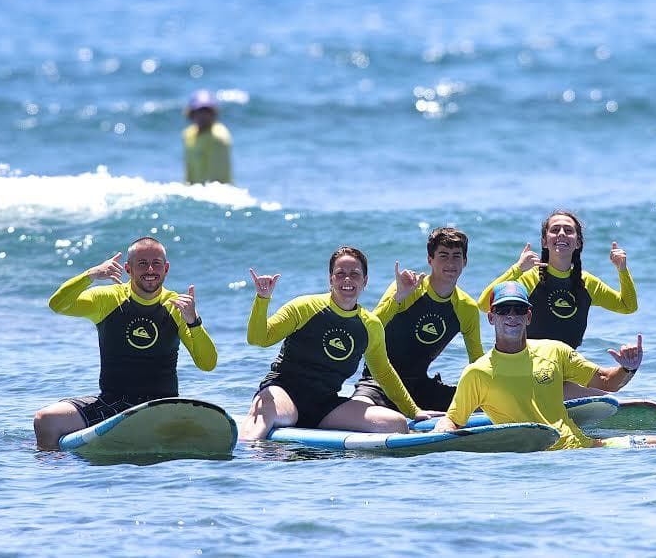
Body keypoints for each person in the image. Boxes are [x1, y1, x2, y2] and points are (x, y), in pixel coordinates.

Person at [433, 281, 656, 449]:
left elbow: (608, 383)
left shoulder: (555, 351)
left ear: (529, 316)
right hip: (535, 464)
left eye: (518, 310)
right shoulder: (477, 373)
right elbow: (454, 420)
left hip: (586, 450)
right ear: (491, 318)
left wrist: (628, 367)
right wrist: (441, 432)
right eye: (503, 310)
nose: (511, 316)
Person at [33, 237, 217, 450]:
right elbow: (58, 305)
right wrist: (89, 276)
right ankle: (55, 477)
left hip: (161, 406)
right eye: (142, 263)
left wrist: (193, 321)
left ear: (166, 268)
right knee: (45, 420)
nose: (150, 269)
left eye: (156, 263)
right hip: (113, 405)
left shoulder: (177, 306)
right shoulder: (108, 299)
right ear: (128, 269)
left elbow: (207, 363)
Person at [240, 246, 438, 441]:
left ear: (365, 281)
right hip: (284, 392)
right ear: (331, 279)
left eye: (355, 274)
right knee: (270, 410)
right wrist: (262, 299)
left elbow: (384, 373)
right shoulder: (304, 307)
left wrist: (414, 411)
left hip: (325, 405)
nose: (347, 279)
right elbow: (259, 339)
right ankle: (244, 451)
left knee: (396, 423)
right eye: (340, 273)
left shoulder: (370, 325)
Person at [477, 210, 637, 398]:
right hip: (528, 364)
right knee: (600, 396)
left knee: (607, 387)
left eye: (568, 230)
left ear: (577, 242)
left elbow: (627, 306)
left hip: (565, 364)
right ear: (545, 241)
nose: (561, 233)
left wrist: (622, 270)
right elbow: (485, 305)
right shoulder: (530, 279)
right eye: (555, 230)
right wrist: (517, 269)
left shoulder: (587, 283)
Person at [351, 227, 483, 411]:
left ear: (465, 261)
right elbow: (369, 329)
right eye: (443, 255)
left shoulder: (466, 308)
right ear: (430, 260)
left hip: (420, 387)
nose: (451, 263)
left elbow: (477, 361)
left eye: (456, 256)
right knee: (357, 411)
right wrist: (398, 297)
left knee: (482, 405)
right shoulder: (408, 288)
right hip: (378, 383)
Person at [183, 89, 232, 185]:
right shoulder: (188, 134)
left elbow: (217, 175)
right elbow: (189, 169)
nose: (203, 115)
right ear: (192, 113)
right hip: (196, 191)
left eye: (207, 111)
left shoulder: (219, 136)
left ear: (213, 113)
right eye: (199, 111)